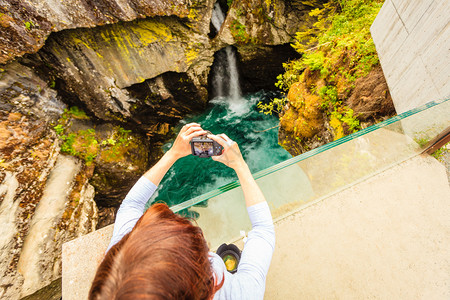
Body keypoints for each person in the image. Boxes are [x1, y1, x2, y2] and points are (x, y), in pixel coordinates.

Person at [89, 123, 275, 300]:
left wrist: (174, 153)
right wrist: (240, 166)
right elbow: (263, 230)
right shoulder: (239, 294)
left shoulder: (122, 269)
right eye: (203, 256)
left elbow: (131, 205)